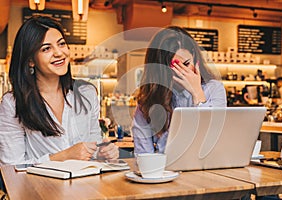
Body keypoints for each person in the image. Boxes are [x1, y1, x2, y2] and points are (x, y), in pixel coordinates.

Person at [0, 16, 119, 165]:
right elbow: (11, 168)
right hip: (39, 188)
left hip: (85, 186)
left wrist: (103, 153)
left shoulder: (86, 93)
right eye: (46, 48)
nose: (59, 53)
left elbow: (93, 145)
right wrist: (62, 156)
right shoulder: (13, 103)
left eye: (61, 44)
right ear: (30, 60)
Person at [131, 26, 227, 154]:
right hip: (164, 170)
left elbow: (213, 140)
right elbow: (143, 154)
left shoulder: (214, 89)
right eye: (174, 68)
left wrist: (197, 93)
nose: (182, 73)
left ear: (194, 57)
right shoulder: (150, 98)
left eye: (186, 64)